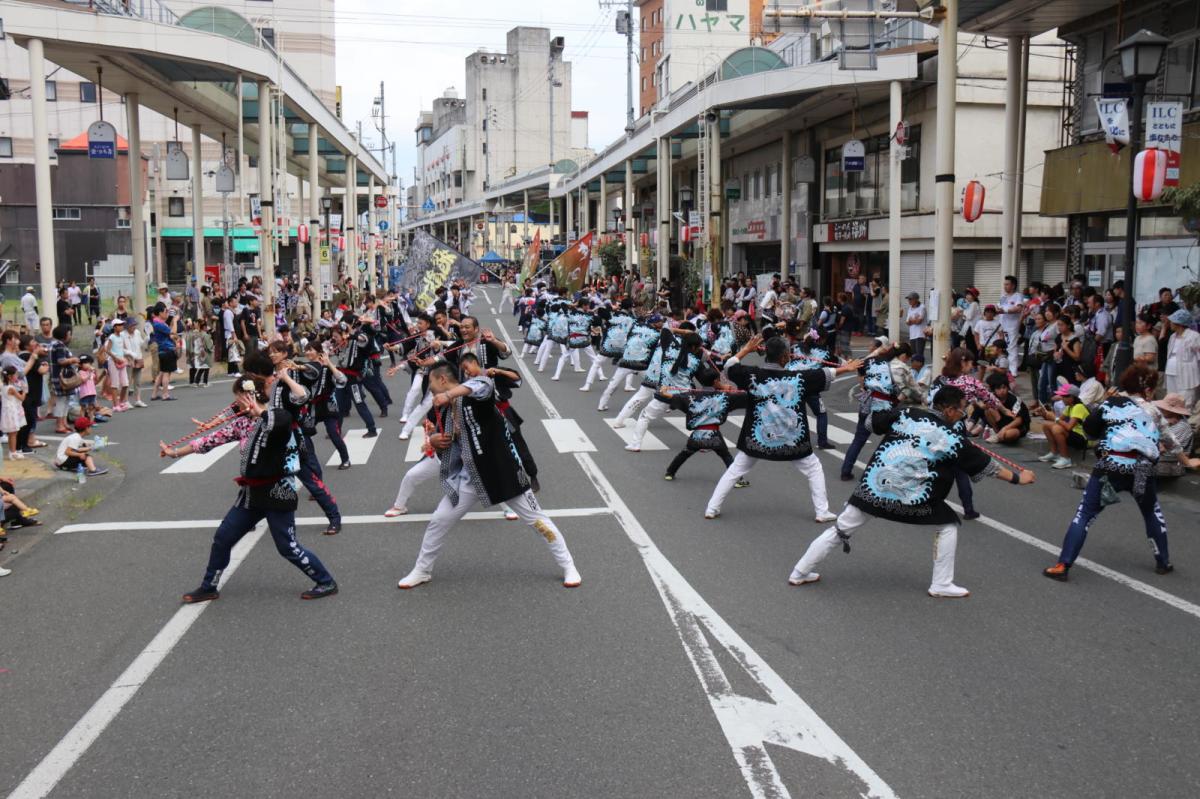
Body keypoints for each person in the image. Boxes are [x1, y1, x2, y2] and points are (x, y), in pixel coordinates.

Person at [788, 385, 1035, 597]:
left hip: (873, 488)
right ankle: (941, 584)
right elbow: (986, 466)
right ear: (949, 410)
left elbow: (872, 421)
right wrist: (1018, 478)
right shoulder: (950, 437)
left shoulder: (907, 413)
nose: (963, 415)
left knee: (840, 529)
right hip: (910, 497)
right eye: (962, 410)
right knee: (947, 525)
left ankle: (799, 572)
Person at [395, 364, 581, 590]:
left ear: (442, 380)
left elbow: (484, 382)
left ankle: (568, 565)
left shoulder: (474, 395)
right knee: (439, 521)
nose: (430, 390)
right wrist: (434, 440)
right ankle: (422, 570)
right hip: (469, 477)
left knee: (538, 521)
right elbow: (448, 442)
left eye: (432, 383)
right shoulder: (444, 410)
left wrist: (449, 395)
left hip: (504, 474)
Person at [175, 375, 338, 603]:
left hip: (278, 491)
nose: (236, 404)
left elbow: (278, 424)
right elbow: (209, 441)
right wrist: (175, 452)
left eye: (239, 398)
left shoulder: (280, 415)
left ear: (251, 396)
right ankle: (208, 586)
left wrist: (259, 411)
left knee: (287, 547)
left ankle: (326, 581)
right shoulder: (242, 423)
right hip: (251, 494)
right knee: (223, 537)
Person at [704, 334, 861, 521]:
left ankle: (712, 508)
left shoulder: (752, 375)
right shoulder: (798, 378)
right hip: (791, 439)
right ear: (785, 356)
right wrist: (847, 368)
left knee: (735, 470)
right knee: (814, 468)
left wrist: (746, 349)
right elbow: (827, 373)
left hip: (758, 438)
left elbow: (729, 366)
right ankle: (821, 512)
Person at [1043, 365, 1173, 581]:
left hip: (1112, 464)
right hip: (1143, 468)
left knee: (1085, 514)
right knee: (1151, 511)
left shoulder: (1111, 403)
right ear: (1148, 390)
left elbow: (1090, 429)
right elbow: (1171, 442)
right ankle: (1163, 561)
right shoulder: (1154, 411)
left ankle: (1063, 565)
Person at [840, 340, 924, 481]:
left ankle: (846, 471)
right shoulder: (900, 367)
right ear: (903, 355)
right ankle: (876, 473)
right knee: (890, 441)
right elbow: (914, 390)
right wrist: (924, 400)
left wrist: (864, 386)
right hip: (885, 408)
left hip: (867, 402)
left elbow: (860, 369)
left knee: (859, 439)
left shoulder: (872, 361)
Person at [663, 371, 748, 485]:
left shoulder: (691, 395)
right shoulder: (724, 396)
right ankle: (739, 480)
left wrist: (663, 391)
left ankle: (670, 473)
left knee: (685, 453)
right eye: (719, 380)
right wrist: (733, 391)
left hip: (697, 435)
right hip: (714, 435)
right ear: (715, 381)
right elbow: (746, 396)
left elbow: (671, 396)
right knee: (726, 456)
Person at [1163, 308, 1199, 408]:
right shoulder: (1172, 337)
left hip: (1187, 374)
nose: (1170, 323)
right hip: (1170, 372)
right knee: (1170, 399)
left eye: (1172, 321)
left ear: (1179, 323)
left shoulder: (1194, 336)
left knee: (1186, 401)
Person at [982, 371, 1029, 444]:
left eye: (1004, 387)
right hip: (1002, 422)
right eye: (998, 388)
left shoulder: (1014, 400)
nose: (1002, 391)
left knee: (1011, 434)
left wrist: (1005, 428)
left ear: (1007, 387)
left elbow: (1018, 420)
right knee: (988, 410)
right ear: (993, 389)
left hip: (1016, 426)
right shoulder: (992, 398)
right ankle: (997, 433)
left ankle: (1000, 436)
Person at [997, 275, 1025, 378]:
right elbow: (998, 308)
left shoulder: (1018, 296)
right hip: (1001, 325)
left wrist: (1005, 310)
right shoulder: (1003, 297)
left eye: (1007, 284)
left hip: (1012, 325)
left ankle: (1013, 371)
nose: (1005, 286)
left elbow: (1018, 309)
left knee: (1011, 347)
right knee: (1001, 347)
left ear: (1013, 285)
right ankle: (1003, 368)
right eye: (1004, 284)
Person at [148, 305, 178, 401]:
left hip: (163, 350)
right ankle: (165, 394)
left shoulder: (159, 323)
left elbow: (170, 335)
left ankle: (154, 394)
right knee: (166, 373)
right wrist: (175, 321)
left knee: (161, 373)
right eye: (166, 311)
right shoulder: (159, 324)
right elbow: (173, 332)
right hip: (166, 350)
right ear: (160, 313)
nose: (167, 313)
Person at [1, 366, 27, 459]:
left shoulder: (4, 386)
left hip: (8, 411)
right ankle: (13, 452)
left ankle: (11, 451)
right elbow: (22, 398)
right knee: (13, 433)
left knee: (12, 433)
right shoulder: (11, 388)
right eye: (15, 375)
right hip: (11, 412)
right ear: (10, 376)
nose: (17, 377)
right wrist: (24, 390)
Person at [904, 292, 926, 360]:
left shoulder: (922, 307)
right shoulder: (910, 308)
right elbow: (907, 322)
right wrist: (914, 320)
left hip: (920, 334)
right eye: (908, 299)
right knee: (913, 354)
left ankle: (920, 366)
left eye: (910, 299)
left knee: (919, 354)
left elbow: (919, 321)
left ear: (916, 299)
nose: (909, 301)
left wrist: (912, 320)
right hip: (912, 334)